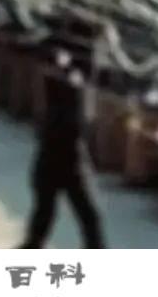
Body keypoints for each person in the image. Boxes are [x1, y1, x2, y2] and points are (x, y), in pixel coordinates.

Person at [21, 48, 106, 248]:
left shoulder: (76, 66)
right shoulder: (60, 69)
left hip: (63, 149)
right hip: (61, 151)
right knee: (54, 215)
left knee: (80, 215)